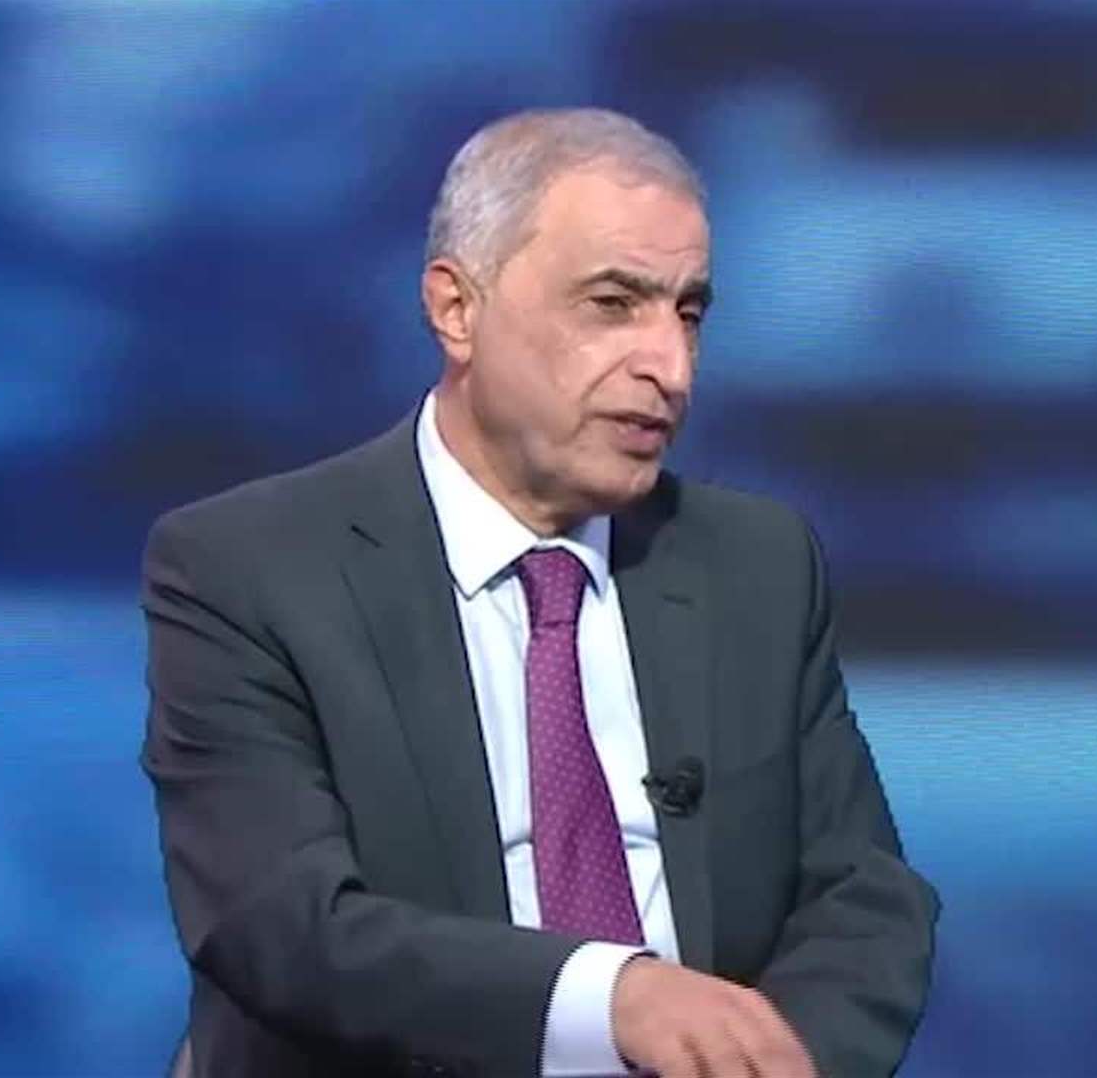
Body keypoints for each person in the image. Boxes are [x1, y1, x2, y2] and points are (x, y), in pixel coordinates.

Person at [140, 107, 938, 1078]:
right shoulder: (248, 566)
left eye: (688, 313)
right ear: (457, 309)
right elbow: (282, 928)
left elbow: (864, 898)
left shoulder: (756, 564)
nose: (669, 367)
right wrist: (613, 1001)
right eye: (613, 303)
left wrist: (780, 1061)